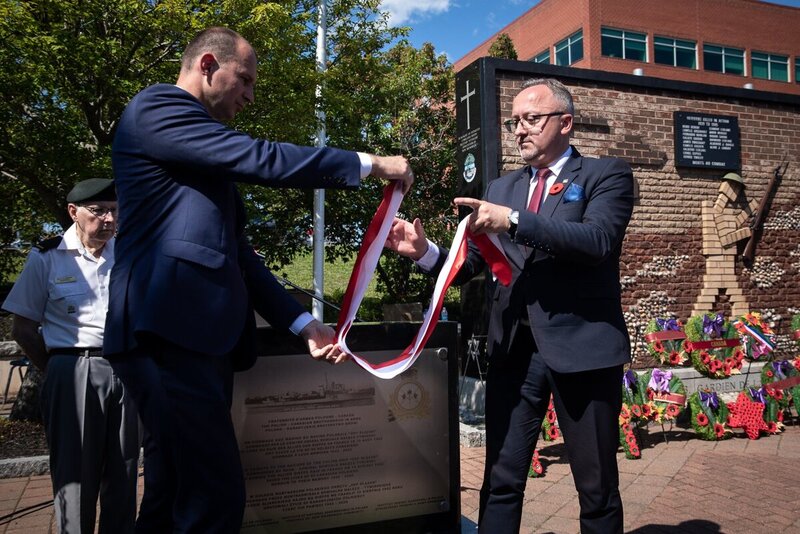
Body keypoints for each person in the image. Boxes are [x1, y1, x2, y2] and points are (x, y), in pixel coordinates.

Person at [104, 26, 413, 533]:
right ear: (207, 65)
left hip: (193, 341)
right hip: (166, 333)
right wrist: (372, 163)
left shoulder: (197, 153)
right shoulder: (155, 109)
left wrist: (301, 324)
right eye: (244, 79)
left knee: (174, 491)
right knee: (212, 496)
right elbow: (262, 159)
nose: (249, 95)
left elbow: (236, 257)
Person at [386, 78, 634, 533]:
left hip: (583, 354)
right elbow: (473, 263)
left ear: (566, 122)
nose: (520, 130)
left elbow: (597, 241)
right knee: (500, 479)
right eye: (514, 121)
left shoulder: (606, 175)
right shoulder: (501, 188)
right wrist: (424, 251)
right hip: (515, 353)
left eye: (531, 119)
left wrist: (515, 221)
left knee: (596, 487)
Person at [2, 179, 139, 534]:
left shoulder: (127, 253)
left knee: (123, 467)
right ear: (73, 212)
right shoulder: (48, 258)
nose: (109, 219)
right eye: (99, 211)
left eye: (114, 210)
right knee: (74, 473)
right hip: (71, 366)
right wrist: (57, 368)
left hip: (125, 367)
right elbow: (24, 328)